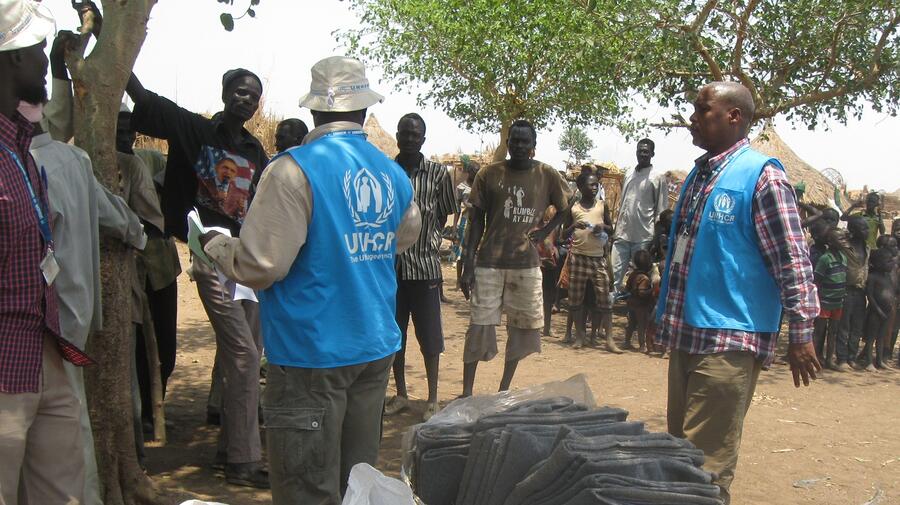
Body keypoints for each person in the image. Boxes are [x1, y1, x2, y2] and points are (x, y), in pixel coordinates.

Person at [200, 56, 421, 504]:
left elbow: (262, 265)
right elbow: (403, 238)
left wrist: (215, 245)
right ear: (364, 110)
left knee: (307, 490)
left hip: (311, 354)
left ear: (315, 110)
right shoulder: (392, 174)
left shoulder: (293, 170)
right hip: (373, 348)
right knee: (355, 484)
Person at [656, 81, 820, 504]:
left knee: (704, 469)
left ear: (734, 116)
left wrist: (801, 333)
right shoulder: (700, 175)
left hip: (729, 341)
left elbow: (792, 259)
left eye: (702, 110)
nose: (692, 118)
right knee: (680, 459)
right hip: (689, 336)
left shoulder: (763, 177)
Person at [124, 62, 269, 485]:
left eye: (254, 95)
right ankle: (243, 461)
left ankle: (230, 449)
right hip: (208, 252)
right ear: (224, 94)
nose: (246, 99)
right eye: (240, 91)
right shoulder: (196, 131)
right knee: (243, 354)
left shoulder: (255, 151)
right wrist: (114, 51)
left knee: (245, 351)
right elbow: (146, 100)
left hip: (245, 259)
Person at [0, 3, 94, 503]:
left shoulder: (23, 151)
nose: (43, 60)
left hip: (44, 349)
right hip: (5, 366)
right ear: (14, 57)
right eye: (39, 49)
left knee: (63, 489)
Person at [30, 111, 146, 505]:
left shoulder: (32, 165)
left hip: (41, 321)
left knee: (47, 427)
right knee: (70, 419)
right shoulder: (72, 160)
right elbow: (113, 212)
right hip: (72, 317)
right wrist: (138, 233)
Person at [458, 119, 573, 397]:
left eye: (525, 141)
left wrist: (544, 232)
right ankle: (467, 392)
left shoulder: (547, 174)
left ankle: (503, 390)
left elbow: (564, 208)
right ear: (508, 143)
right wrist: (468, 262)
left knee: (520, 329)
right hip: (489, 262)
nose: (519, 146)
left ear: (534, 146)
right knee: (479, 326)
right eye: (515, 140)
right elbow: (476, 220)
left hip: (525, 264)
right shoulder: (489, 174)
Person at [385, 112, 457, 421]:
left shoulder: (438, 174)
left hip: (425, 268)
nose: (409, 139)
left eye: (415, 135)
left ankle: (432, 399)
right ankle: (401, 394)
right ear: (397, 136)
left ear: (423, 139)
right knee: (394, 336)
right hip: (390, 269)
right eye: (405, 133)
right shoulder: (386, 171)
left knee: (430, 338)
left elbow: (443, 214)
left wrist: (425, 237)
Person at [562, 171, 620, 351]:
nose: (595, 187)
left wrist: (603, 227)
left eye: (596, 184)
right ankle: (580, 336)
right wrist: (574, 226)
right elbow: (563, 233)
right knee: (575, 300)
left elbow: (611, 229)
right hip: (578, 258)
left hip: (598, 259)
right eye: (591, 184)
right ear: (580, 187)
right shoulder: (573, 208)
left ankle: (609, 340)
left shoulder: (602, 206)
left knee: (605, 300)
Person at [611, 138, 668, 295]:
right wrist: (615, 231)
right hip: (622, 234)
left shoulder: (658, 177)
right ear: (636, 152)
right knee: (614, 276)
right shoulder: (629, 174)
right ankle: (609, 306)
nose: (642, 154)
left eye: (646, 152)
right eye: (640, 151)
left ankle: (634, 309)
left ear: (652, 154)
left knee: (640, 279)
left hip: (643, 237)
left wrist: (656, 239)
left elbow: (661, 211)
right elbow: (623, 203)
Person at [835, 216, 870, 371]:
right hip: (846, 290)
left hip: (861, 292)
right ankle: (842, 358)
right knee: (844, 326)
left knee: (857, 327)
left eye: (867, 228)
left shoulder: (867, 248)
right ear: (853, 230)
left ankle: (852, 357)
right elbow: (833, 233)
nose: (867, 231)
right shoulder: (844, 246)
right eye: (863, 228)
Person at [812, 229, 849, 370]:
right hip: (825, 301)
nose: (844, 242)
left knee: (833, 332)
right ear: (831, 242)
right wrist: (817, 300)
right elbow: (817, 280)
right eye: (841, 239)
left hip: (838, 302)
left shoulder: (843, 257)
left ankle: (829, 360)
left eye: (845, 239)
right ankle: (813, 360)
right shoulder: (825, 259)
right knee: (819, 331)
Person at [861, 248, 895, 371]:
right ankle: (869, 362)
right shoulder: (872, 277)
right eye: (888, 261)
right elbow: (870, 295)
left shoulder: (888, 277)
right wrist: (878, 310)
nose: (892, 263)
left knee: (881, 337)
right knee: (871, 338)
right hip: (875, 312)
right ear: (878, 263)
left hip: (886, 312)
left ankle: (879, 361)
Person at [625, 249, 655, 353]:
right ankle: (642, 345)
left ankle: (626, 342)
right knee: (642, 325)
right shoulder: (644, 278)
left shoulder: (633, 274)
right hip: (641, 306)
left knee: (631, 324)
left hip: (631, 303)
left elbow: (627, 288)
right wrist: (652, 290)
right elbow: (642, 293)